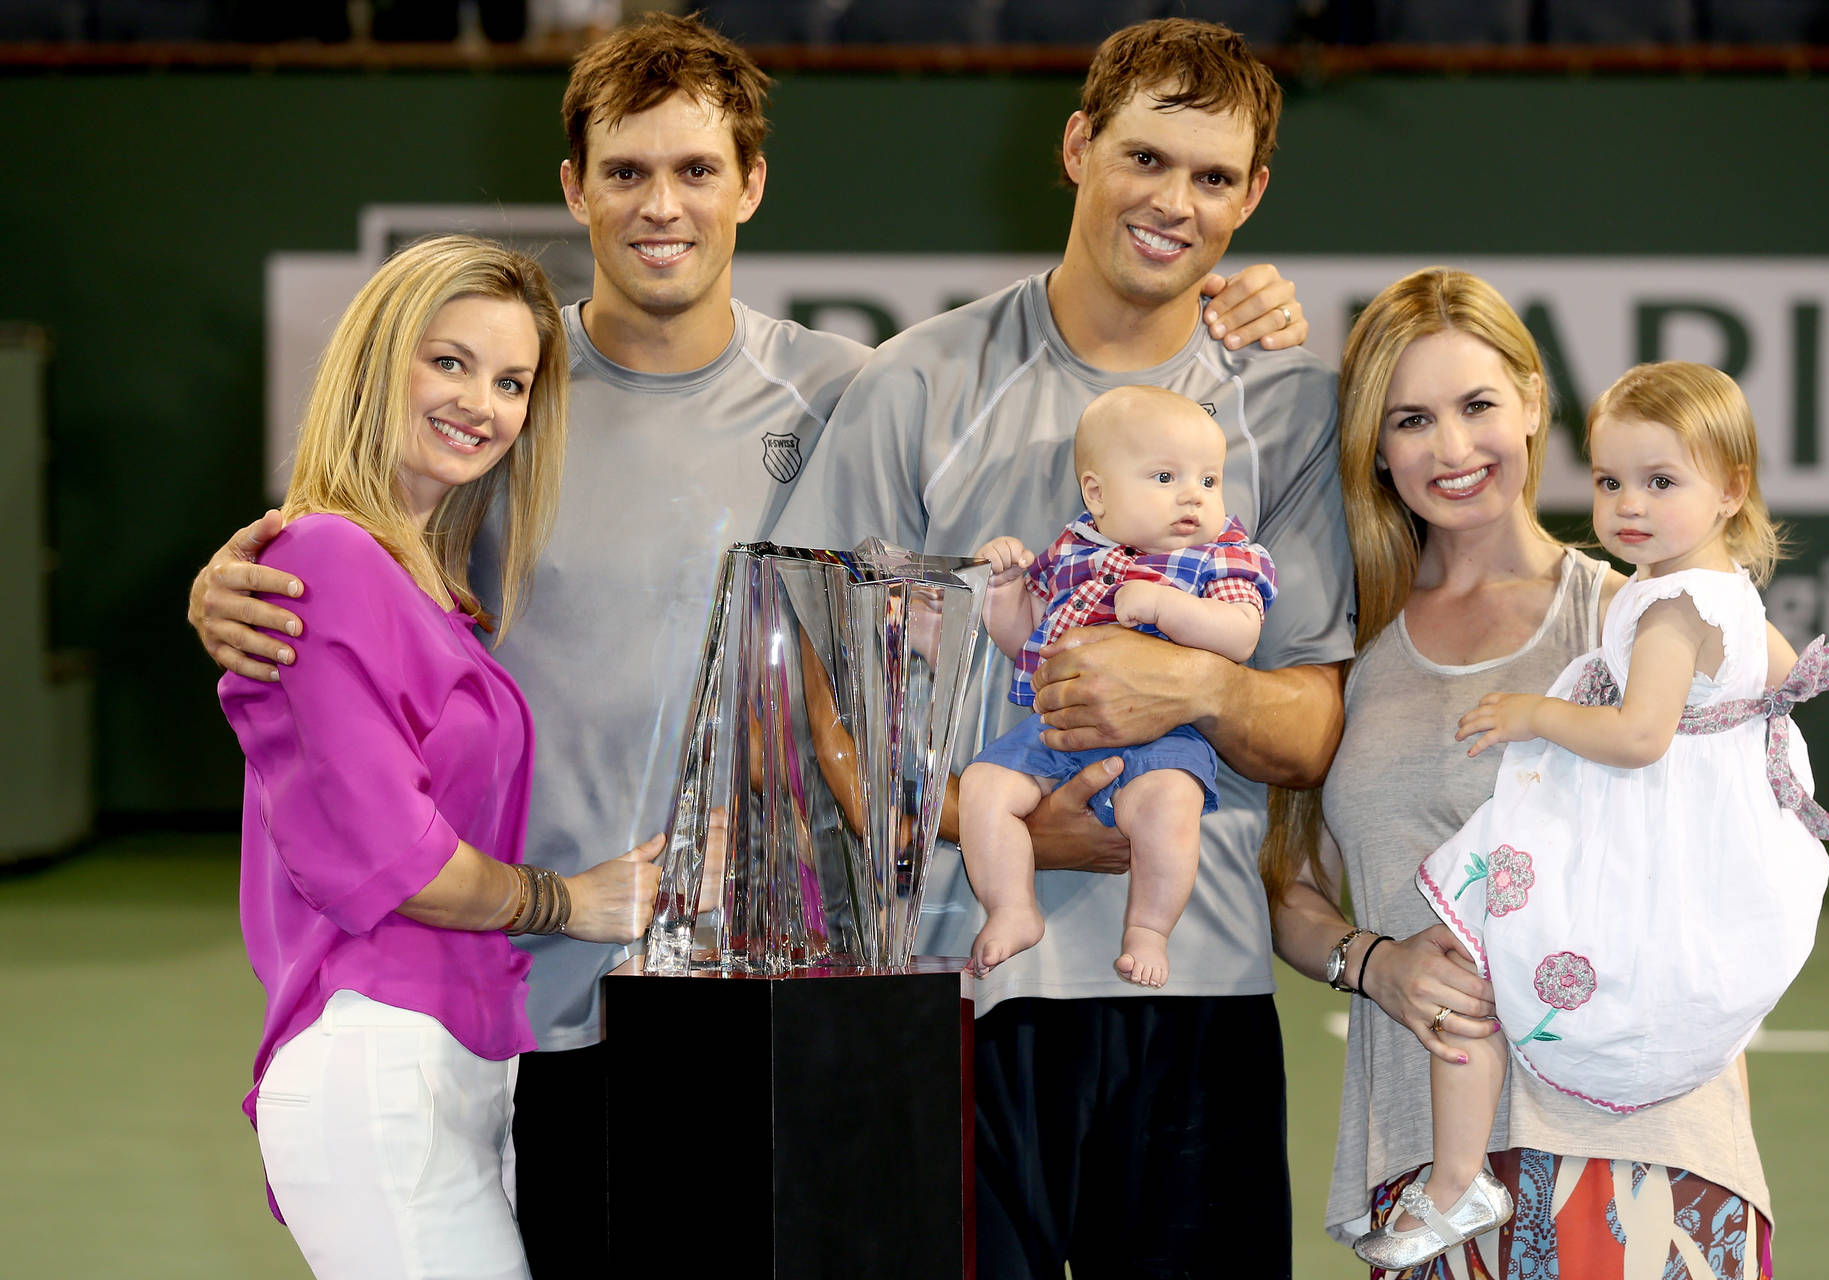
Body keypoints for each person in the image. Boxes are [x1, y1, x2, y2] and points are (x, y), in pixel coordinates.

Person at [185, 14, 1309, 1271]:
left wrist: (1239, 304)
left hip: (774, 1015)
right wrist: (234, 576)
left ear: (752, 184)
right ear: (575, 187)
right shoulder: (511, 397)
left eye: (698, 170)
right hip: (535, 1004)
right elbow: (359, 540)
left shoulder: (848, 390)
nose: (662, 205)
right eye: (626, 171)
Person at [775, 19, 1350, 1277]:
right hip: (965, 995)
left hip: (1195, 999)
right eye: (1145, 156)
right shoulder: (919, 383)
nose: (1173, 201)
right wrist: (993, 826)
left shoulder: (1290, 409)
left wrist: (1192, 678)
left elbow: (1311, 722)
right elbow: (808, 678)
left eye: (1213, 176)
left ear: (1253, 194)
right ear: (1079, 145)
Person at [1268, 269, 1802, 1279]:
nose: (1453, 447)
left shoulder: (1632, 611)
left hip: (1639, 1156)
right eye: (1412, 418)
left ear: (1531, 404)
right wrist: (1372, 961)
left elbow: (1751, 796)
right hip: (1427, 1174)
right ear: (1374, 449)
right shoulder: (1343, 648)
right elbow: (1289, 887)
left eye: (1477, 406)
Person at [1353, 361, 1829, 1269]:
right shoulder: (1716, 593)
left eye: (1660, 481)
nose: (1628, 504)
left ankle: (1457, 1179)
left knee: (1472, 941)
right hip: (1683, 849)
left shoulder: (1668, 603)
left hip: (1636, 843)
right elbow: (1778, 677)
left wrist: (1532, 714)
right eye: (1608, 481)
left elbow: (1637, 737)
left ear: (1731, 488)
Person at [218, 234, 661, 1279]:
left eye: (510, 380)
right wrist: (572, 900)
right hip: (377, 1052)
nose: (482, 403)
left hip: (461, 1061)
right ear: (380, 360)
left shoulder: (436, 591)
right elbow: (397, 857)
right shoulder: (322, 557)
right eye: (449, 361)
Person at [961, 385, 1276, 988]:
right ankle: (1012, 907)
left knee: (1169, 809)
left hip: (1165, 737)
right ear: (1097, 494)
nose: (1193, 495)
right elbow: (1028, 643)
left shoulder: (1221, 557)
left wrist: (1167, 606)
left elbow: (1240, 635)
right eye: (1165, 476)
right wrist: (1002, 594)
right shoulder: (1073, 552)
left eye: (1210, 481)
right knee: (983, 786)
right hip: (1057, 730)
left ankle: (1149, 928)